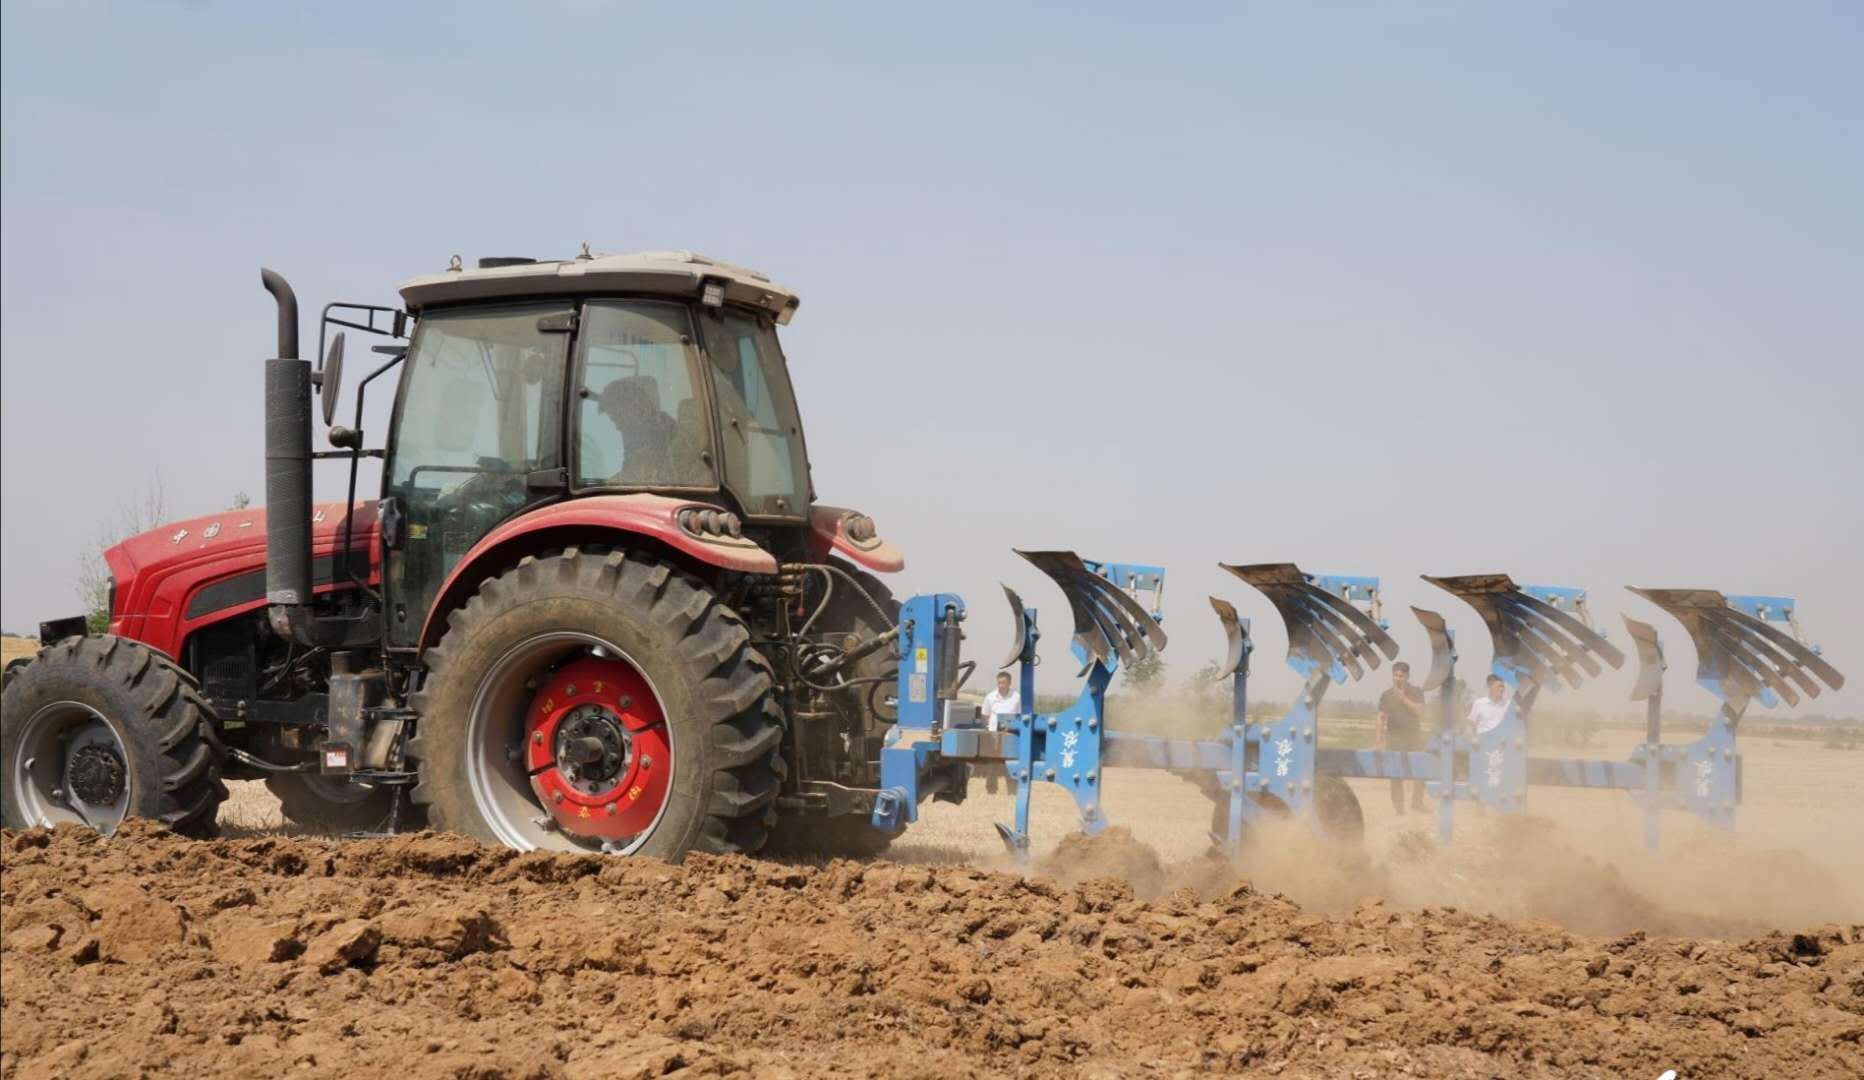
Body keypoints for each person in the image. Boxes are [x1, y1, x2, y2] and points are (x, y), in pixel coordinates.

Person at [1376, 661, 1428, 814]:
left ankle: (1417, 802)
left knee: (1421, 770)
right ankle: (1399, 808)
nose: (1398, 678)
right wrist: (1379, 740)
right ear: (1393, 675)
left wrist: (1403, 698)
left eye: (1401, 676)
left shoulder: (1417, 692)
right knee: (1395, 774)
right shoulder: (1386, 695)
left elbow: (1420, 712)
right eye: (1396, 675)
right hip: (1394, 738)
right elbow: (1380, 717)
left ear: (1407, 676)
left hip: (1414, 737)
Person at [977, 671, 1021, 794]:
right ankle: (991, 790)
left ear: (1009, 683)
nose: (1001, 685)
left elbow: (1022, 715)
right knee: (992, 763)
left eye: (1004, 683)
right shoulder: (990, 697)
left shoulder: (1017, 697)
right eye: (999, 682)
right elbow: (985, 715)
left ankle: (1012, 791)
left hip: (1011, 735)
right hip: (994, 735)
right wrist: (989, 728)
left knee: (1011, 762)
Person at [1466, 674, 1512, 738]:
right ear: (1490, 687)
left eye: (1503, 686)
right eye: (1499, 686)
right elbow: (1470, 724)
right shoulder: (1479, 703)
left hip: (1501, 743)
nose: (1501, 689)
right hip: (1483, 742)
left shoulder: (1508, 705)